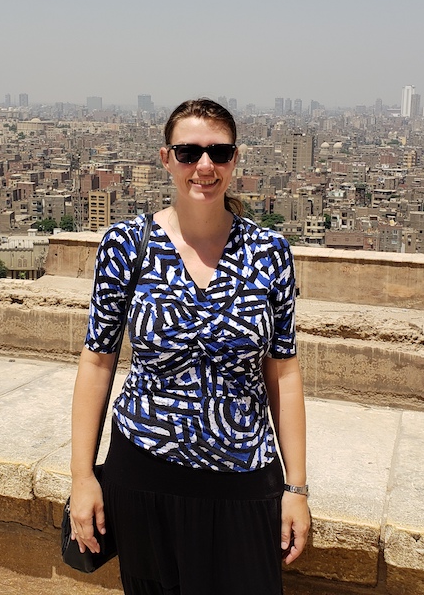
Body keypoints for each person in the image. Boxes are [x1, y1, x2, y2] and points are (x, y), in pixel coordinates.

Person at [69, 98, 309, 594]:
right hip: (144, 472)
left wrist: (297, 488)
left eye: (218, 153)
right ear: (166, 159)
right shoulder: (127, 245)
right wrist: (82, 478)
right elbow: (97, 362)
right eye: (189, 152)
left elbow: (283, 371)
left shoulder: (269, 253)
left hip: (243, 476)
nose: (204, 166)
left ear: (235, 160)